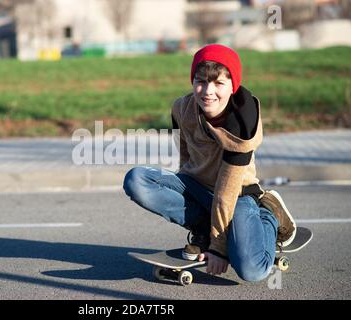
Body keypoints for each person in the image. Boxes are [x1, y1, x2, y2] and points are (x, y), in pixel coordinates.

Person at [123, 44, 297, 282]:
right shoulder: (181, 108)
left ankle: (269, 215)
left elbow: (226, 192)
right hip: (197, 187)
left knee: (252, 270)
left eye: (218, 83)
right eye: (200, 81)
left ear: (232, 86)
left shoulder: (241, 123)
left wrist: (219, 246)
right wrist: (189, 193)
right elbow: (184, 154)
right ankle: (202, 229)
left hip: (238, 196)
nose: (207, 91)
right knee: (137, 180)